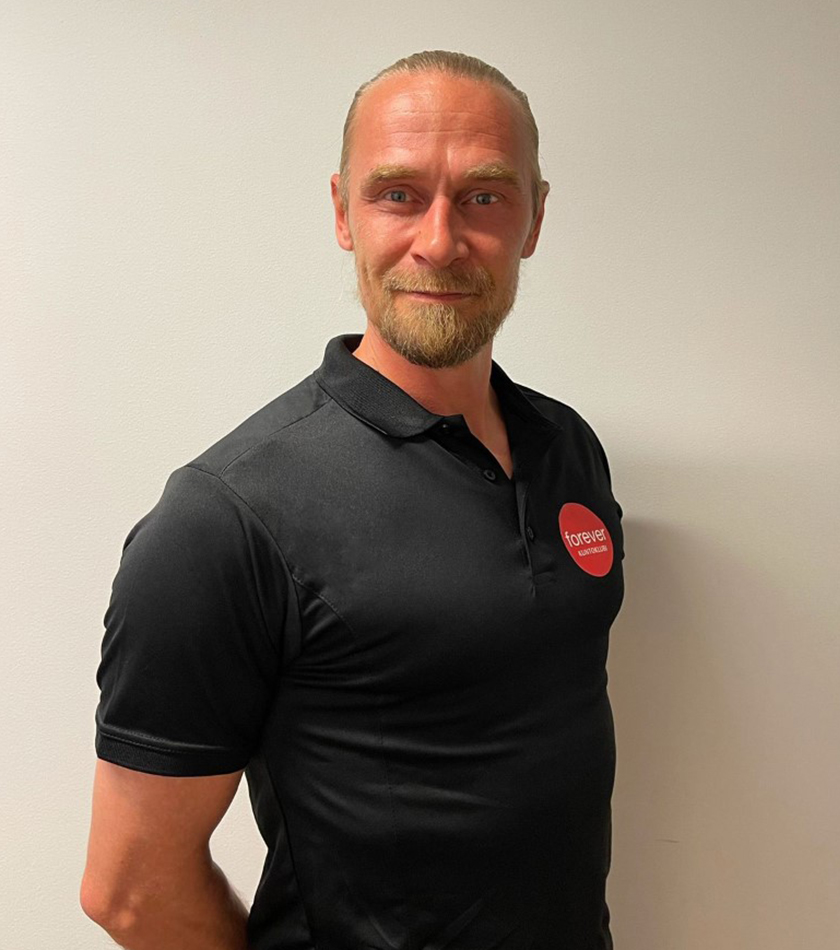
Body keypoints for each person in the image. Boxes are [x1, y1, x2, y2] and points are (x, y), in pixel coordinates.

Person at [80, 49, 625, 950]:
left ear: (534, 218)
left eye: (484, 196)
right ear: (343, 212)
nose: (440, 240)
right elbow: (130, 890)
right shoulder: (226, 517)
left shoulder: (568, 447)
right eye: (398, 194)